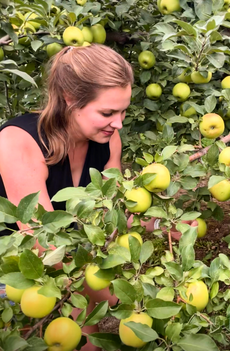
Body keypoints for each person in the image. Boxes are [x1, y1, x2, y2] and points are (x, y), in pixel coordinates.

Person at [0, 44, 133, 351]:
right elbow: (42, 243)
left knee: (89, 338)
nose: (119, 123)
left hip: (69, 259)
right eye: (108, 112)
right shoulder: (18, 142)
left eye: (123, 110)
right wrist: (126, 297)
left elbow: (110, 218)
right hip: (16, 268)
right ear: (70, 100)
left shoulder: (108, 139)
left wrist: (151, 225)